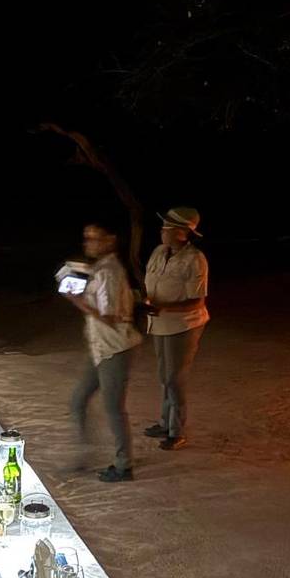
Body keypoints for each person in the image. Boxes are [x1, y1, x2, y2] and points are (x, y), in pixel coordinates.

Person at [66, 222, 141, 483]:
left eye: (95, 238)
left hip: (115, 347)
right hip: (102, 348)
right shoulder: (99, 268)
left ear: (110, 240)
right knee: (78, 400)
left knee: (113, 408)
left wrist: (76, 300)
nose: (88, 244)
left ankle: (124, 465)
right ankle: (86, 454)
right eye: (87, 238)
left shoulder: (109, 271)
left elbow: (108, 316)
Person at [143, 206, 210, 451]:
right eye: (163, 226)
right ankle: (165, 423)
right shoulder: (159, 252)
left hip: (184, 324)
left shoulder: (195, 259)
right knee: (165, 376)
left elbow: (197, 301)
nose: (162, 231)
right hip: (160, 322)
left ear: (182, 233)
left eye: (168, 228)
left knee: (175, 379)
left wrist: (163, 307)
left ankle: (177, 431)